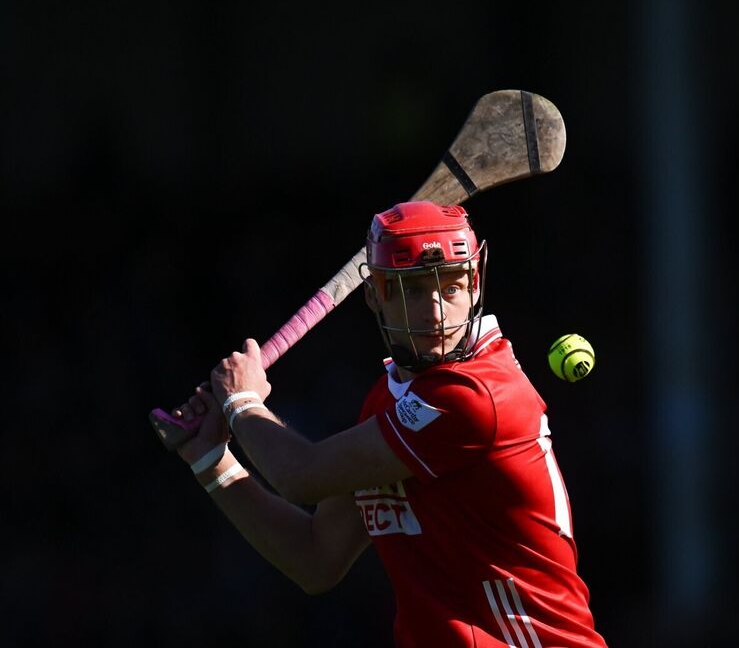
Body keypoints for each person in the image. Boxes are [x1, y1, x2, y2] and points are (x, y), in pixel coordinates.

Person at [168, 200, 607, 647]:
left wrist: (242, 400)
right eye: (413, 290)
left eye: (450, 288)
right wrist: (210, 462)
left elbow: (300, 477)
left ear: (475, 284)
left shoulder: (477, 397)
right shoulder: (391, 401)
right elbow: (316, 556)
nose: (435, 311)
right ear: (376, 294)